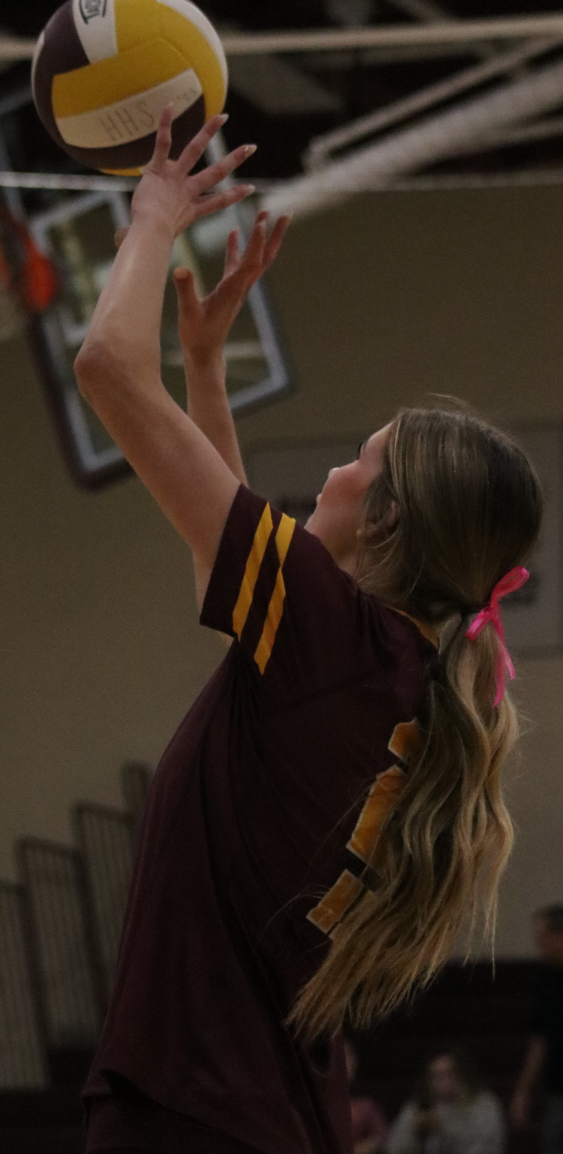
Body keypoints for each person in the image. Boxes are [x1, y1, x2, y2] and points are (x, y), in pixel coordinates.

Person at [74, 106, 543, 1154]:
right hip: (256, 1121)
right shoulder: (391, 673)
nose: (328, 472)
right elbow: (228, 559)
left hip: (191, 1119)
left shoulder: (335, 640)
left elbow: (104, 362)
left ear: (381, 521)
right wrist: (204, 367)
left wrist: (151, 215)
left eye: (358, 459)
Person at [511, 904, 563, 1152]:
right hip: (559, 1090)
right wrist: (524, 1091)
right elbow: (539, 1040)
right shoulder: (545, 979)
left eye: (541, 936)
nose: (536, 942)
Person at [386, 1049, 505, 1154]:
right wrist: (415, 1133)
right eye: (435, 1075)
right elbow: (395, 1148)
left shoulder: (484, 1105)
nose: (442, 1080)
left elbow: (488, 1147)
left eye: (448, 1073)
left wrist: (444, 1130)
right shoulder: (418, 1107)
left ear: (461, 1074)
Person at [344, 1038, 388, 1153]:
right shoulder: (316, 1106)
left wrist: (370, 1144)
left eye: (350, 1056)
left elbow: (383, 1136)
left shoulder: (365, 1106)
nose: (349, 1062)